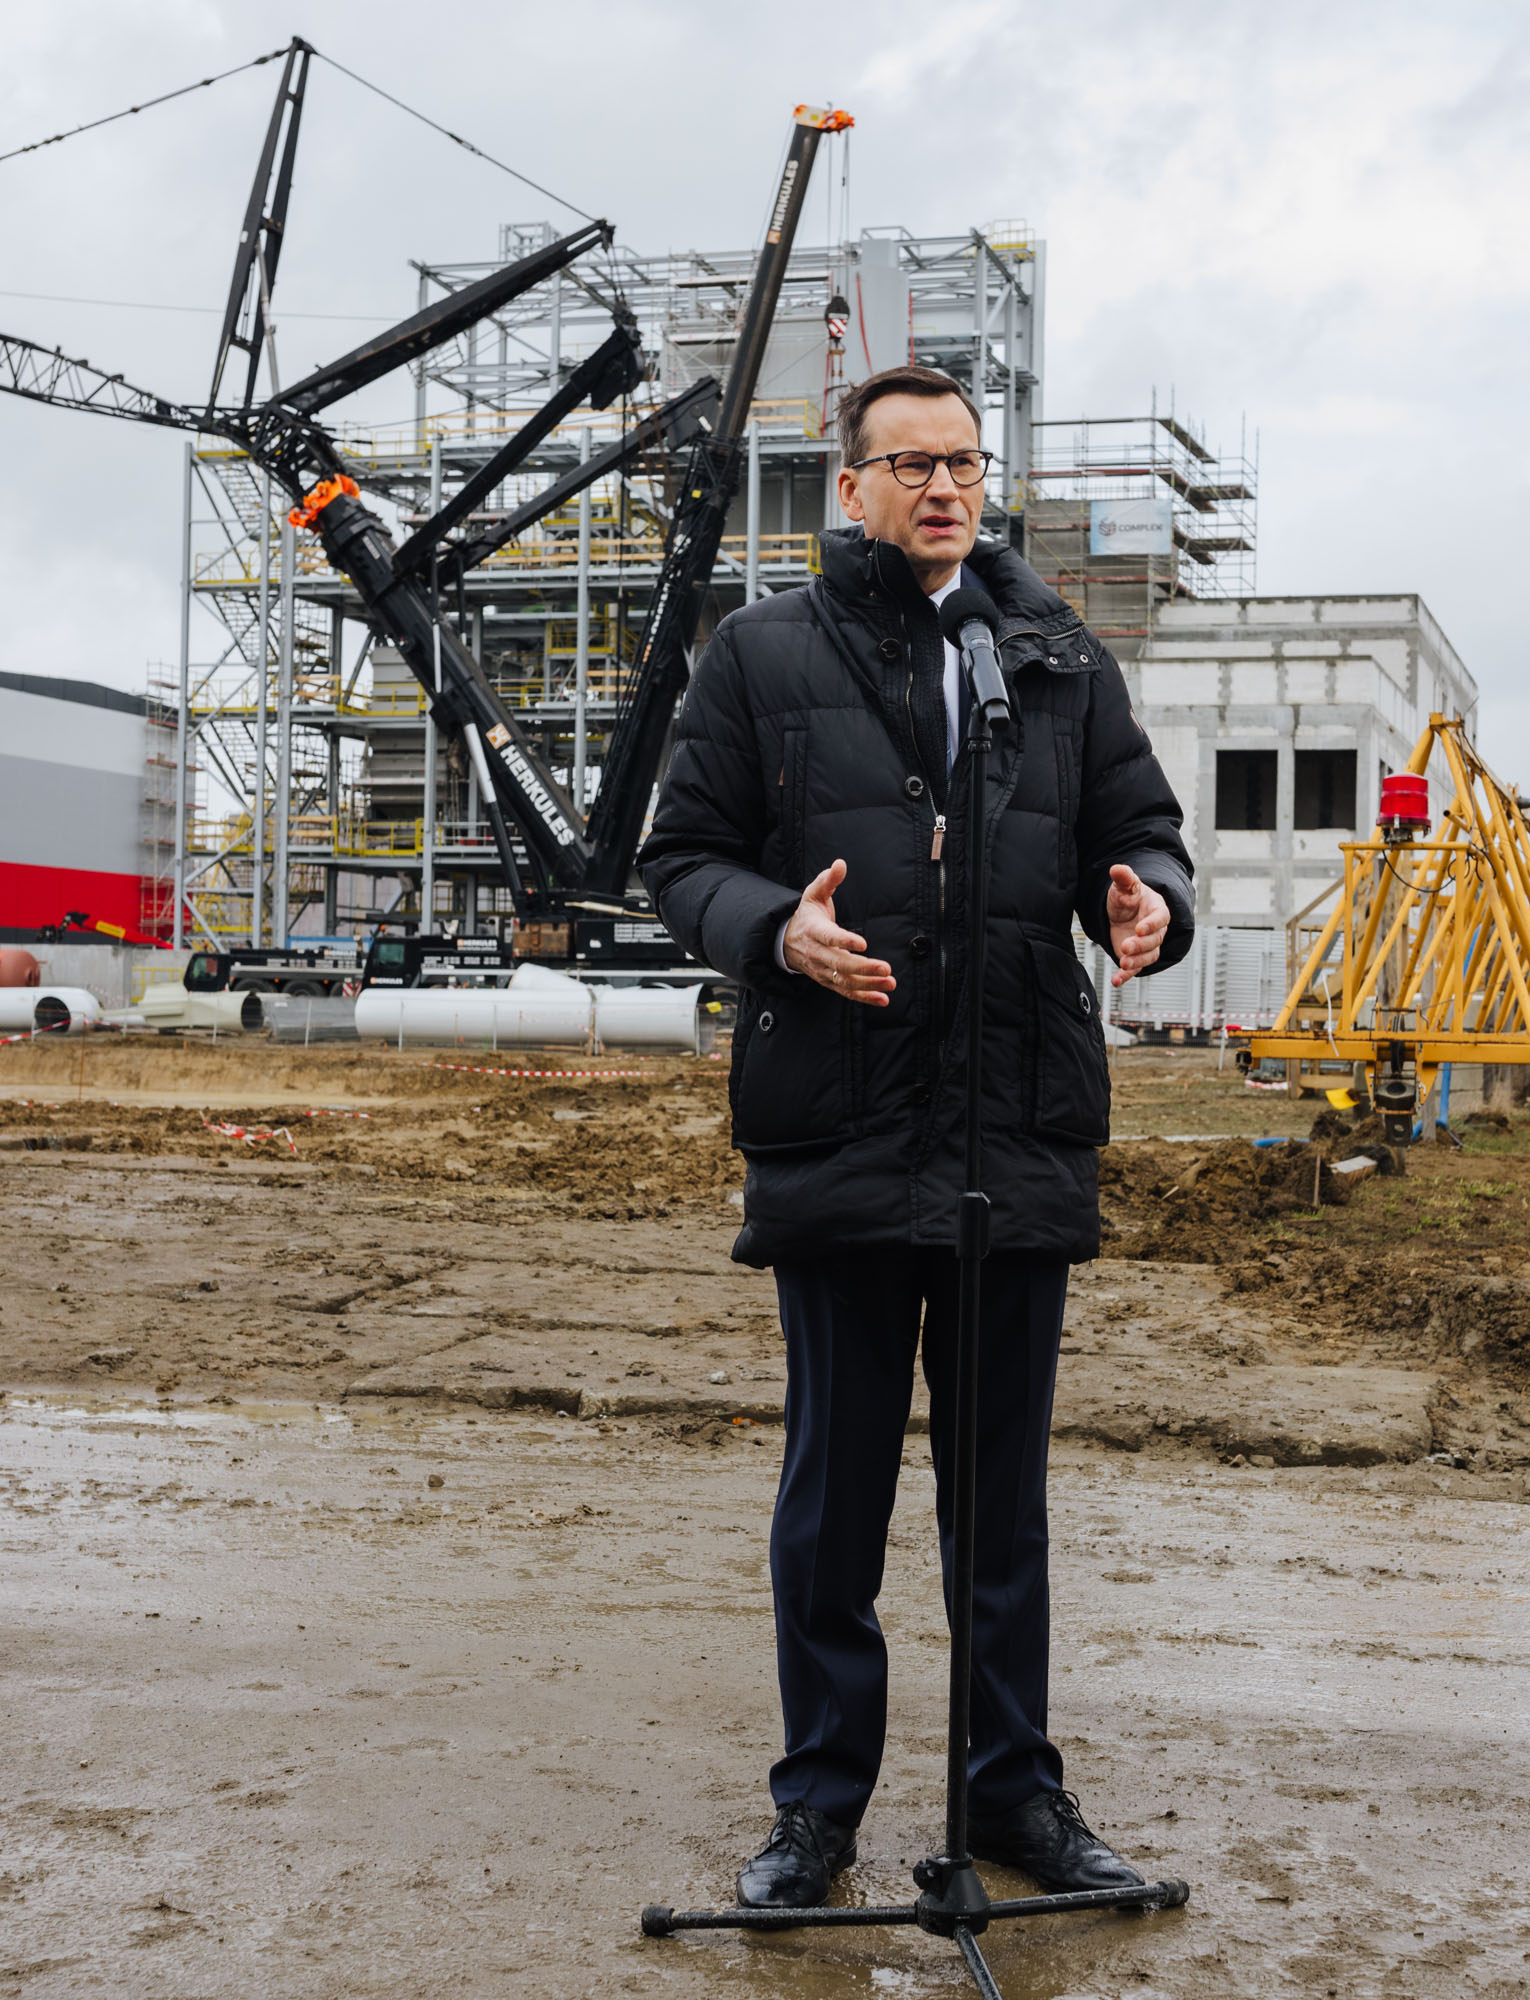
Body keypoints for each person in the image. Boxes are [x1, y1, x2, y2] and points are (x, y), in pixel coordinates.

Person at [640, 363, 1195, 1908]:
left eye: (963, 461)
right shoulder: (762, 656)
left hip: (1014, 1129)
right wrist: (775, 930)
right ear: (853, 488)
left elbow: (1139, 831)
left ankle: (1013, 1797)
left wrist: (1147, 898)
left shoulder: (1058, 657)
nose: (945, 486)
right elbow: (681, 858)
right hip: (844, 1123)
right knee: (836, 1501)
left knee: (999, 1506)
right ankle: (818, 1807)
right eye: (912, 464)